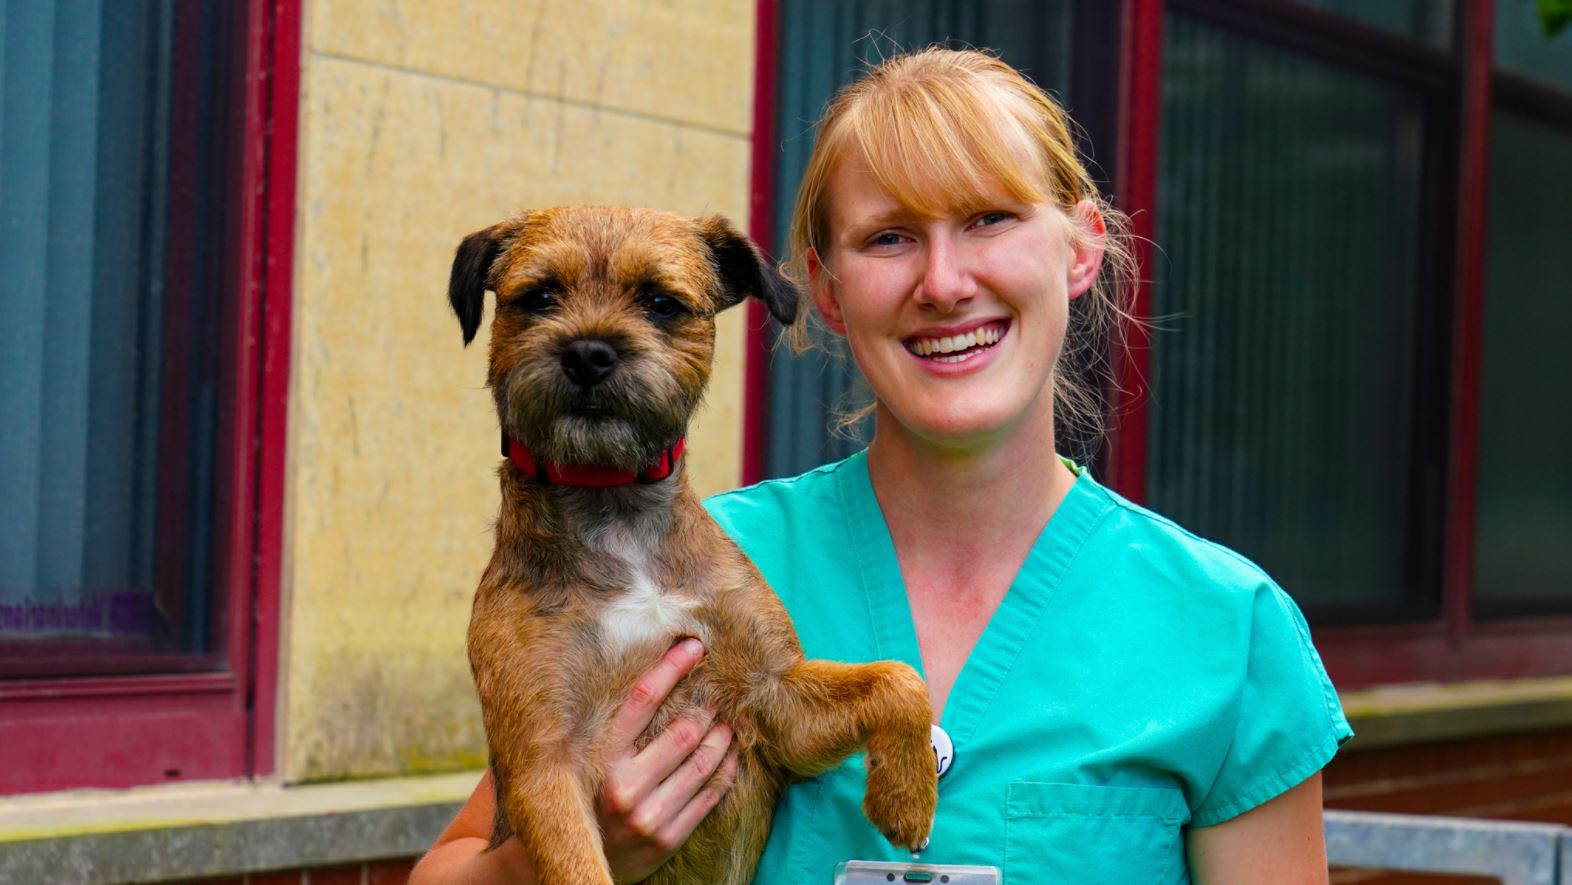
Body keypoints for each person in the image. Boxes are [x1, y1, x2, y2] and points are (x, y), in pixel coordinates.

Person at [412, 47, 1352, 884]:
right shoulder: (683, 557)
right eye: (889, 237)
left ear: (1081, 246)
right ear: (822, 285)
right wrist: (546, 865)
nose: (943, 284)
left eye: (989, 219)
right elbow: (466, 852)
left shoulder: (1228, 628)